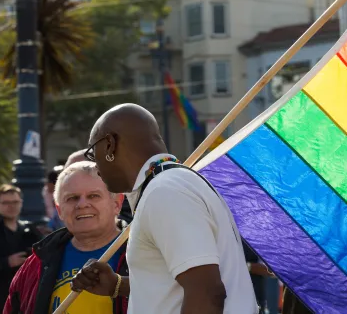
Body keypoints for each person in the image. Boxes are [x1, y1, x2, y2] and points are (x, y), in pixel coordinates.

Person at [71, 103, 258, 314]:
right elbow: (178, 285)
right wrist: (117, 285)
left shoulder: (165, 191)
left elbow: (207, 293)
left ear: (109, 144)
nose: (95, 166)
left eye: (93, 153)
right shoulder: (170, 184)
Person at [3, 161, 130, 314]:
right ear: (59, 210)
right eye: (72, 198)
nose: (82, 204)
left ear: (117, 203)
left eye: (93, 196)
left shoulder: (145, 255)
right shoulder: (36, 265)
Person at [0, 184, 43, 313]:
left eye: (15, 202)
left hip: (26, 295)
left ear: (21, 203)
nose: (11, 206)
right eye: (6, 202)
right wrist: (6, 262)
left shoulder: (30, 229)